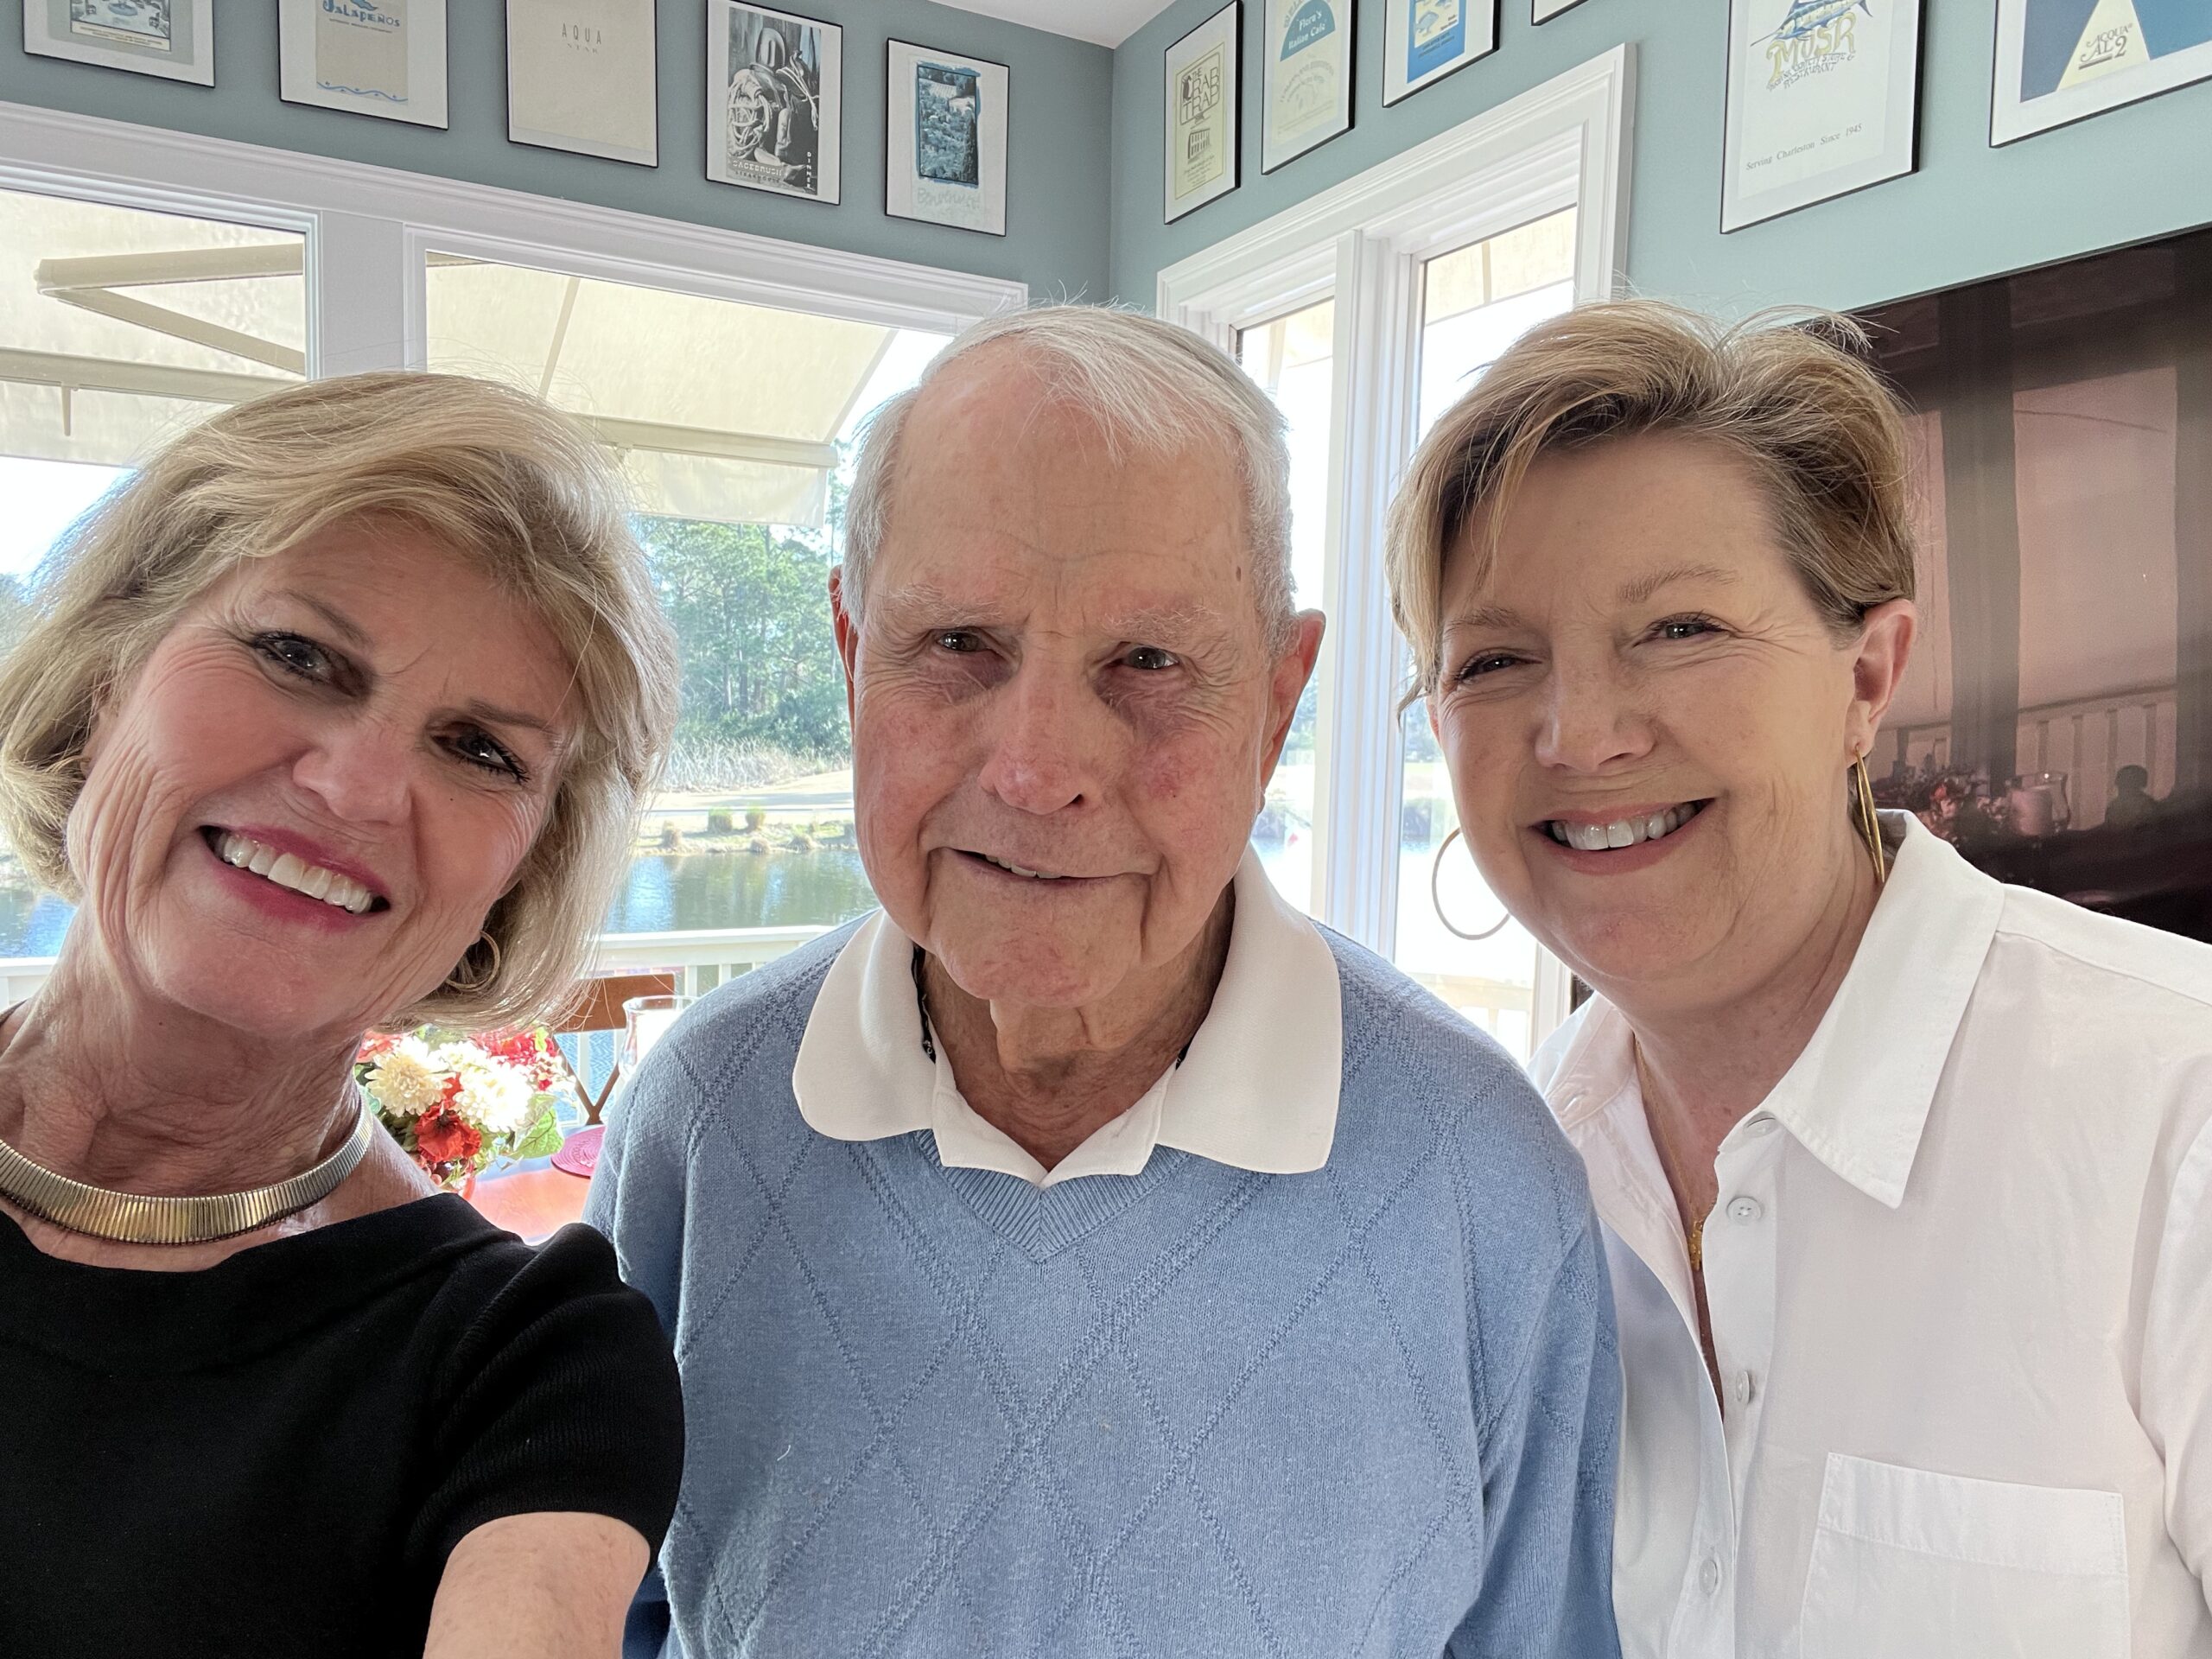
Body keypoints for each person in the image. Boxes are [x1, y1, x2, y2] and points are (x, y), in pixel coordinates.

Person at [588, 306, 1623, 1658]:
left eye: (1147, 662)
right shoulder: (700, 1122)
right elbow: (609, 1611)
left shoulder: (1487, 1179)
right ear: (853, 660)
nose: (1036, 767)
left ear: (1276, 702)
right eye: (959, 642)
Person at [1386, 299, 2212, 1657]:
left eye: (1682, 630)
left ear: (1868, 678)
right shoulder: (1507, 1182)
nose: (1581, 734)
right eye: (1495, 660)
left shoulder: (2168, 1113)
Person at [0, 372, 687, 1656]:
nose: (359, 786)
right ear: (107, 684)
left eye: (480, 748)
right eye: (297, 656)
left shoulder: (527, 1368)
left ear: (515, 876)